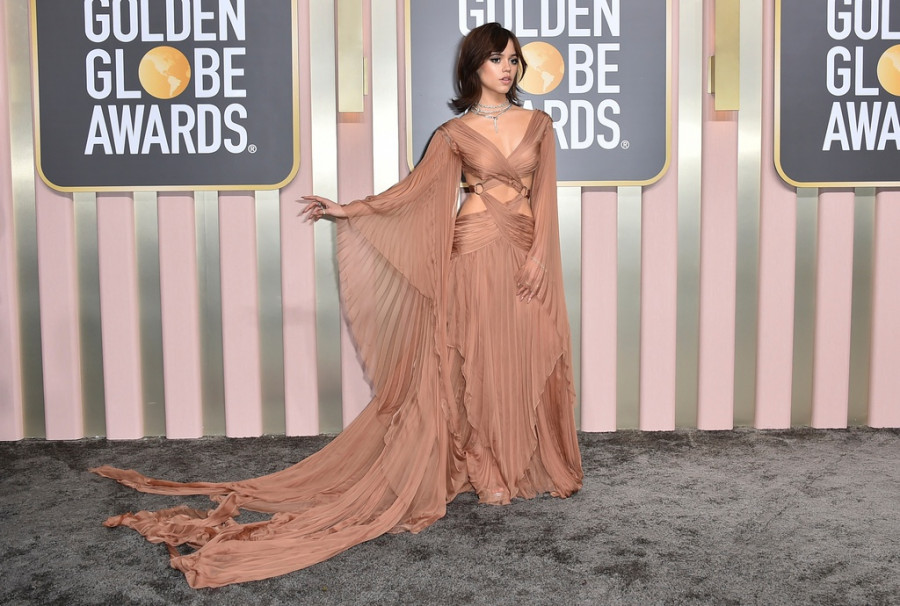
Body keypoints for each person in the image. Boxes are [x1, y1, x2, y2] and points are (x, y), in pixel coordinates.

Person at [92, 22, 582, 588]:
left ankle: (526, 460)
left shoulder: (539, 125)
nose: (508, 69)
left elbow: (544, 197)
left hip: (523, 247)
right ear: (473, 67)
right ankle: (487, 466)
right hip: (470, 250)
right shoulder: (452, 133)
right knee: (474, 359)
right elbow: (414, 194)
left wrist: (540, 255)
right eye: (497, 59)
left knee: (524, 350)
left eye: (515, 60)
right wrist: (348, 210)